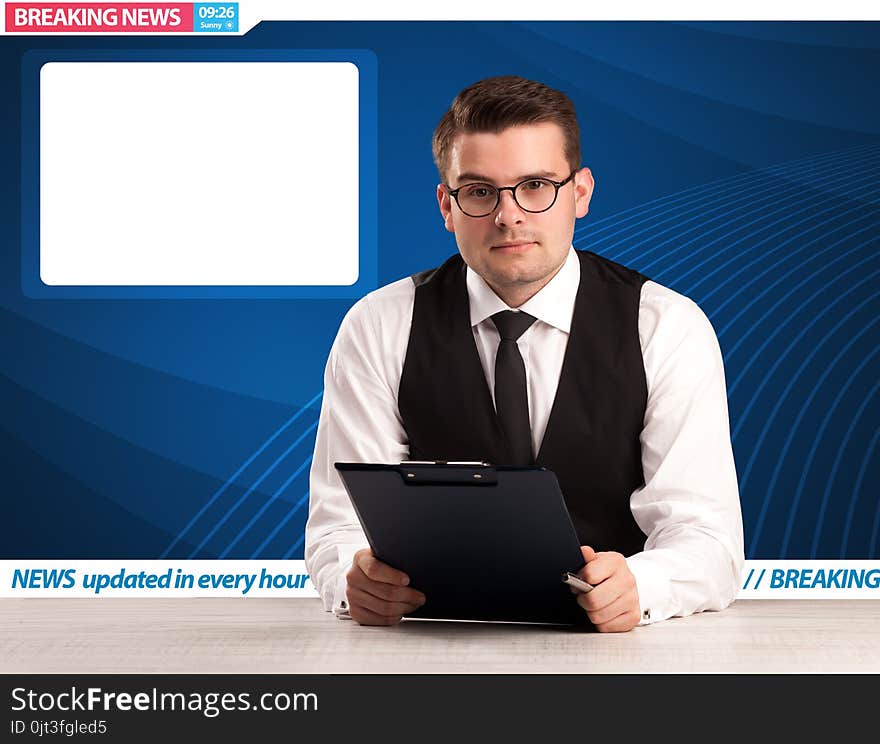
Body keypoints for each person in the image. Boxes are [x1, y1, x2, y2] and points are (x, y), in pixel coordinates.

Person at [305, 76, 744, 632]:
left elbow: (708, 539)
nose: (508, 216)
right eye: (480, 190)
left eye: (535, 185)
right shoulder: (379, 325)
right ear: (447, 204)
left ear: (580, 193)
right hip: (430, 644)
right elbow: (337, 528)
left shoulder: (666, 327)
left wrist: (644, 585)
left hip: (616, 654)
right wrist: (355, 578)